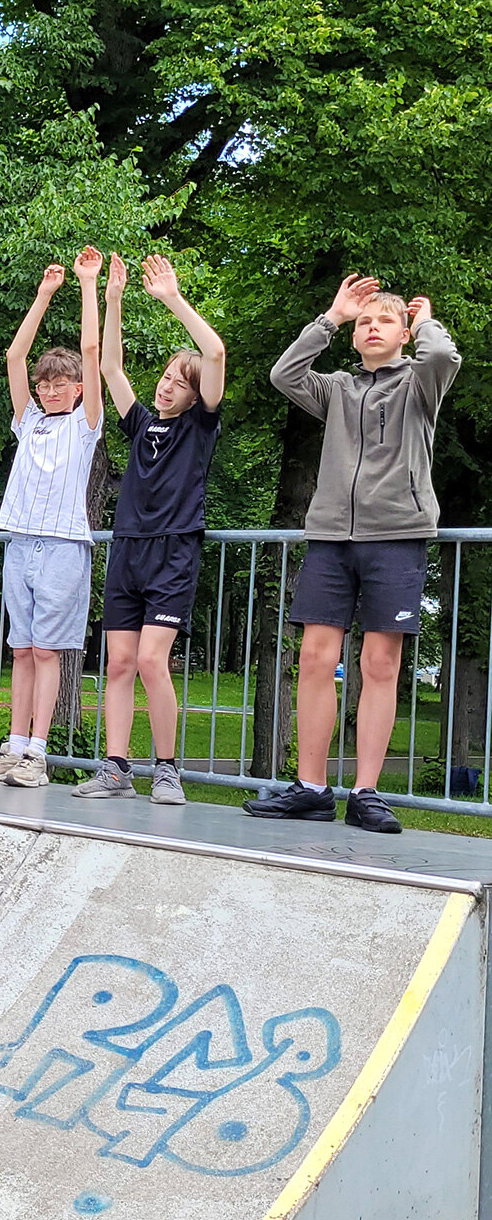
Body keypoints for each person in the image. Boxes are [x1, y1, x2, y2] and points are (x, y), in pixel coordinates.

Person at [246, 276, 461, 834]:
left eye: (383, 321)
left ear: (404, 332)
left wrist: (425, 318)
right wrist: (332, 317)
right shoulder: (337, 387)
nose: (371, 328)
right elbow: (284, 374)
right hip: (332, 538)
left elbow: (442, 353)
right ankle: (312, 788)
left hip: (397, 536)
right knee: (316, 660)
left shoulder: (420, 382)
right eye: (365, 322)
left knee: (379, 664)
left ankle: (366, 793)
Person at [74, 253, 226, 805]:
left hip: (173, 553)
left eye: (178, 384)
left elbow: (213, 352)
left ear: (195, 395)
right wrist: (113, 297)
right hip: (128, 552)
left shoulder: (200, 426)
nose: (166, 388)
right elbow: (110, 368)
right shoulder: (141, 422)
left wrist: (171, 298)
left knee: (149, 661)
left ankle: (167, 768)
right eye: (164, 377)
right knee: (116, 662)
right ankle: (116, 767)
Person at [0, 253, 104, 788]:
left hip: (64, 543)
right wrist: (44, 294)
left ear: (75, 390)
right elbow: (14, 356)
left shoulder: (85, 425)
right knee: (21, 649)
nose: (48, 390)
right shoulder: (28, 421)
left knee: (47, 650)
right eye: (44, 383)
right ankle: (15, 745)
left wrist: (87, 286)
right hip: (21, 540)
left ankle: (38, 756)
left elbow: (92, 354)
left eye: (59, 384)